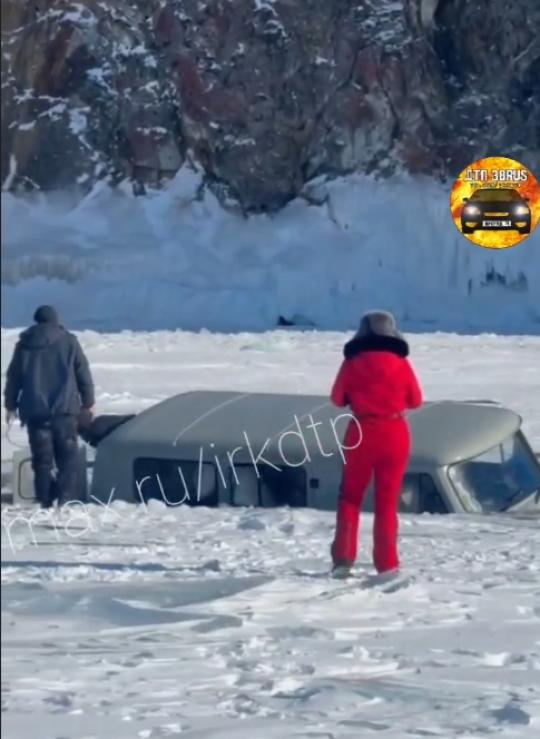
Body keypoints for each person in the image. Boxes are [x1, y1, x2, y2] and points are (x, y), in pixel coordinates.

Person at [330, 310, 423, 578]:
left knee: (350, 498)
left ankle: (343, 558)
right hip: (394, 432)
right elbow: (416, 400)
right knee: (387, 503)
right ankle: (387, 563)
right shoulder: (401, 363)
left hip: (360, 431)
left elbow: (337, 399)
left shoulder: (351, 362)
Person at [4, 305, 95, 508]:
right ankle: (64, 500)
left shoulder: (24, 344)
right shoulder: (69, 342)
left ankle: (44, 500)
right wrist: (88, 403)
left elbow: (14, 377)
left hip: (35, 412)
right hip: (65, 411)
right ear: (56, 319)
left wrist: (10, 405)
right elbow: (83, 373)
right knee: (67, 459)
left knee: (41, 460)